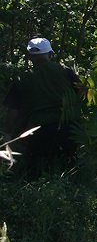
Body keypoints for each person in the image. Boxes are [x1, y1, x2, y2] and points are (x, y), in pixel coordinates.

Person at [2, 37, 82, 178]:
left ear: (29, 56)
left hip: (39, 131)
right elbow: (84, 94)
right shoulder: (66, 71)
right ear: (50, 54)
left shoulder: (23, 78)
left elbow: (13, 111)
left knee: (34, 174)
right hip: (69, 126)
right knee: (70, 172)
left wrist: (9, 135)